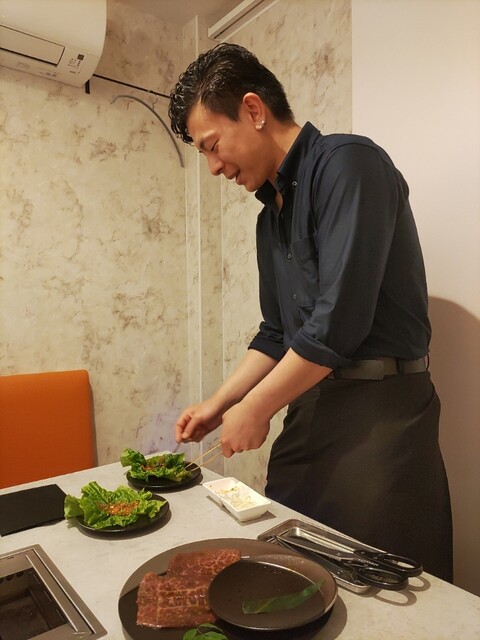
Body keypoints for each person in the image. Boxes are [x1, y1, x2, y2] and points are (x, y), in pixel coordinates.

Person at [168, 43, 453, 582]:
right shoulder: (268, 220)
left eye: (212, 146)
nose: (213, 167)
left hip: (381, 411)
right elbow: (277, 334)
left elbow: (338, 324)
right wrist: (220, 404)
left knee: (379, 579)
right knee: (293, 564)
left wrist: (256, 406)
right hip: (311, 403)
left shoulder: (350, 164)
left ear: (254, 110)